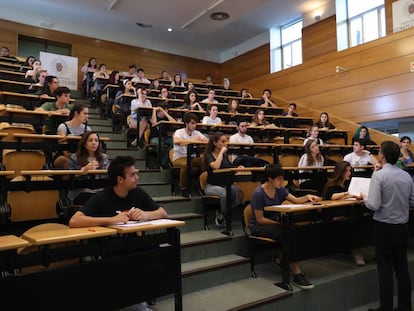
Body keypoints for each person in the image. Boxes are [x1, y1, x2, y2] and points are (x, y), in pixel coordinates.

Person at [249, 164, 319, 289]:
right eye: (279, 179)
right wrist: (280, 224)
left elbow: (296, 201)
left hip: (276, 224)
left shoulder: (279, 189)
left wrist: (308, 197)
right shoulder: (259, 193)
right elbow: (260, 220)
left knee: (297, 230)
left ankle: (282, 257)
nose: (282, 181)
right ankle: (297, 273)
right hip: (259, 227)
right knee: (287, 234)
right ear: (270, 179)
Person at [365, 141, 414, 311]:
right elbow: (412, 201)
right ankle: (405, 307)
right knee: (402, 267)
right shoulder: (406, 176)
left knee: (385, 269)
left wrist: (364, 197)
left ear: (382, 156)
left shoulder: (379, 176)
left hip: (384, 228)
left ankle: (386, 307)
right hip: (402, 227)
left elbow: (373, 205)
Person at [322, 161, 365, 266]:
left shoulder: (347, 184)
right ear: (340, 172)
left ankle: (357, 249)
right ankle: (357, 252)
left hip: (346, 213)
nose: (349, 173)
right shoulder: (331, 184)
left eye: (350, 171)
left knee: (362, 220)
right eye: (346, 171)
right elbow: (331, 196)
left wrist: (354, 196)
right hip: (334, 215)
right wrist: (347, 194)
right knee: (353, 224)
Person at [204, 131, 244, 227]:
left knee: (240, 195)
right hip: (212, 186)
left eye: (225, 142)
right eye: (222, 142)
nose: (225, 144)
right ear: (215, 143)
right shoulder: (208, 154)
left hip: (226, 184)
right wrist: (221, 152)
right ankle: (225, 216)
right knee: (225, 194)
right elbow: (216, 167)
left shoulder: (225, 156)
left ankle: (222, 212)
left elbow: (230, 168)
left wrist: (237, 169)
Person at [67, 131, 109, 205]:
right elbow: (71, 178)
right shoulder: (74, 157)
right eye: (90, 140)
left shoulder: (104, 157)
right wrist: (83, 171)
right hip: (81, 191)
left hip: (100, 190)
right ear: (84, 144)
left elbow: (106, 176)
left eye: (96, 140)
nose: (94, 143)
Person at [172, 113, 208, 196]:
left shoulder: (197, 133)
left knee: (205, 161)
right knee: (186, 164)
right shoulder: (179, 132)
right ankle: (183, 188)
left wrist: (201, 140)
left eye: (195, 123)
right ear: (186, 123)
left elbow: (207, 141)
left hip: (192, 157)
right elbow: (176, 141)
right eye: (192, 123)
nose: (194, 125)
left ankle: (201, 184)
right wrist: (192, 141)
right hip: (179, 157)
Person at [54, 102, 91, 169]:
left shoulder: (87, 129)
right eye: (85, 113)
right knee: (63, 160)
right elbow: (63, 148)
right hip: (67, 156)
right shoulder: (63, 126)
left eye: (87, 114)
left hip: (83, 156)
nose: (87, 116)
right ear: (76, 113)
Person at [149, 103, 176, 169]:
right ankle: (159, 163)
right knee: (160, 144)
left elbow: (174, 122)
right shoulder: (153, 116)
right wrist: (154, 110)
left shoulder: (166, 118)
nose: (166, 111)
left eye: (167, 110)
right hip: (155, 137)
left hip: (165, 137)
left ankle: (163, 162)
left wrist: (165, 113)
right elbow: (154, 123)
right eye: (164, 109)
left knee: (174, 142)